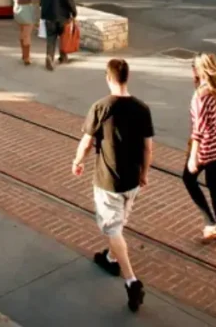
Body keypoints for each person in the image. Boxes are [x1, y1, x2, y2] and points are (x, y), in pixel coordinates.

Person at [72, 58, 152, 313]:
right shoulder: (142, 109)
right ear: (127, 77)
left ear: (108, 78)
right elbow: (148, 148)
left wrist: (77, 160)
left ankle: (131, 281)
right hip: (133, 181)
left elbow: (86, 142)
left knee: (112, 228)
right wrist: (144, 174)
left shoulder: (100, 107)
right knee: (118, 224)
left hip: (108, 181)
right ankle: (109, 258)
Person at [182, 53, 216, 243]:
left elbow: (199, 130)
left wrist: (194, 157)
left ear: (200, 70)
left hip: (208, 148)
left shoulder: (201, 96)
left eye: (193, 67)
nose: (192, 70)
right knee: (213, 186)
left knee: (188, 178)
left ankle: (211, 223)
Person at [38, 0, 77, 71]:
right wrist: (74, 12)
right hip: (63, 17)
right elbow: (70, 0)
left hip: (49, 16)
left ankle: (49, 57)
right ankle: (63, 56)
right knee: (64, 37)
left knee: (51, 38)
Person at [11, 0, 38, 66]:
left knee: (22, 32)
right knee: (27, 35)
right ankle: (27, 57)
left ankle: (23, 54)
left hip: (18, 11)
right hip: (27, 12)